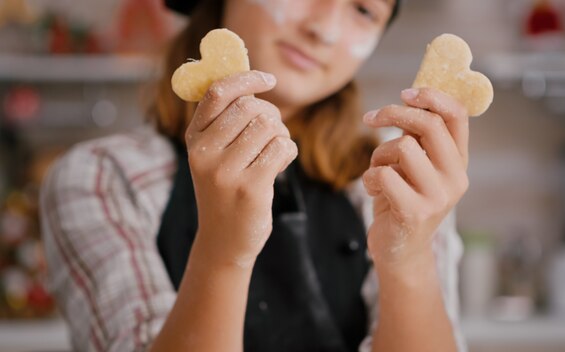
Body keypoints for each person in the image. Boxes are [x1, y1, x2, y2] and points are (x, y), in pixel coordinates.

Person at [40, 0, 470, 351]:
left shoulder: (397, 179)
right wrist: (223, 251)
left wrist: (409, 258)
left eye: (363, 10)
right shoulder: (104, 179)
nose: (325, 29)